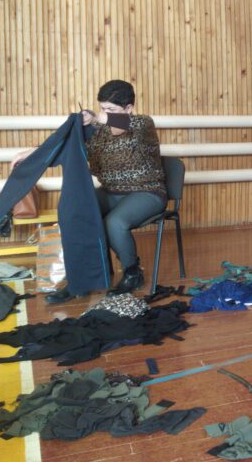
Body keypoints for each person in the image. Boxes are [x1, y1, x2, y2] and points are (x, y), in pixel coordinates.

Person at [46, 79, 167, 304]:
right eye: (102, 108)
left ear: (128, 108)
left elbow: (124, 123)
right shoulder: (100, 133)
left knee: (114, 222)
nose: (105, 113)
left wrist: (95, 117)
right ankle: (79, 279)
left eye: (111, 110)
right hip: (111, 191)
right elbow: (65, 147)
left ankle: (132, 273)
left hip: (147, 192)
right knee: (75, 212)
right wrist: (29, 155)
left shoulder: (142, 124)